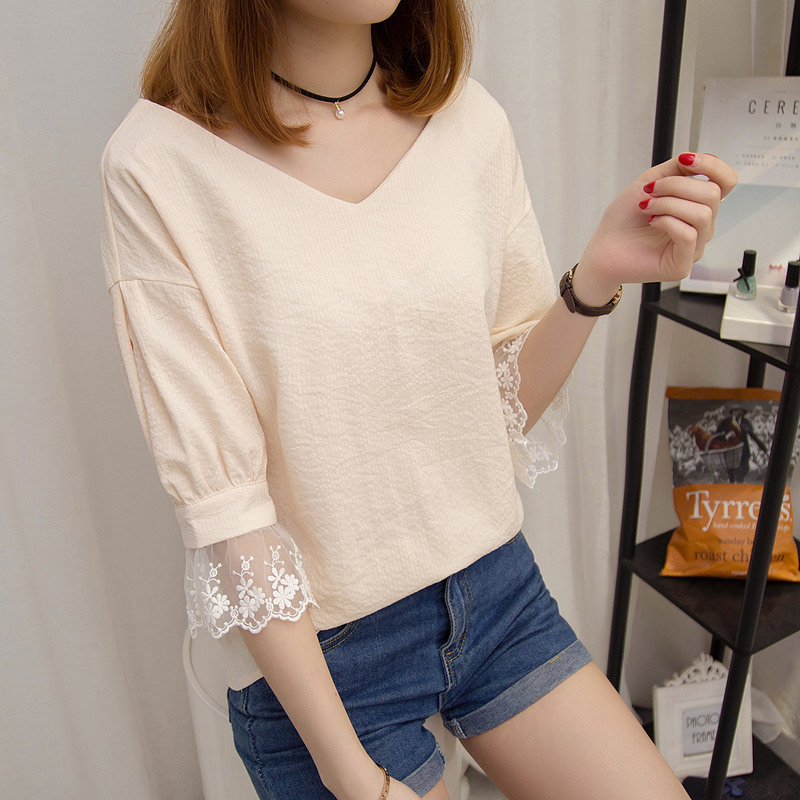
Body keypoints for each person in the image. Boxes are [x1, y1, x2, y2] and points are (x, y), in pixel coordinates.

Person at [99, 1, 737, 799]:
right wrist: (356, 782)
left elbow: (489, 414)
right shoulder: (159, 164)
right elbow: (229, 514)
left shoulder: (468, 122)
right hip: (324, 664)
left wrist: (597, 276)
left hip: (495, 595)